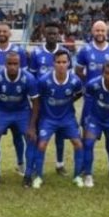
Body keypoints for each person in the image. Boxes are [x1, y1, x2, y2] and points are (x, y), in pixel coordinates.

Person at [0, 51, 40, 188]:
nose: (12, 67)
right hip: (2, 111)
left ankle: (28, 175)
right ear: (5, 64)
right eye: (9, 64)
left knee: (31, 138)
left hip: (22, 112)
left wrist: (32, 126)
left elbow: (36, 102)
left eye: (15, 64)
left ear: (20, 64)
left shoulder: (29, 78)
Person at [75, 20, 109, 179]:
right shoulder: (85, 50)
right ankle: (85, 169)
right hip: (91, 100)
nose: (100, 33)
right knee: (88, 136)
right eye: (97, 31)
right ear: (92, 32)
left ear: (106, 32)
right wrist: (88, 82)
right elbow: (78, 70)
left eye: (102, 31)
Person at [0, 22, 29, 174]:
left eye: (5, 31)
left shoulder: (19, 51)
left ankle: (21, 163)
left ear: (10, 34)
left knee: (18, 137)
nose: (2, 33)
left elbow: (25, 77)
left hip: (18, 103)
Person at [33, 50, 84, 189]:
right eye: (58, 62)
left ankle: (77, 176)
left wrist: (69, 101)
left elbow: (78, 94)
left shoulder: (75, 80)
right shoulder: (44, 81)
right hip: (48, 119)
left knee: (78, 144)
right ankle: (38, 176)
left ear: (68, 63)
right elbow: (37, 99)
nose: (61, 65)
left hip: (67, 118)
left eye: (64, 62)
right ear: (53, 64)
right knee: (42, 144)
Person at [29, 21, 70, 176]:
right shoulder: (37, 53)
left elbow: (70, 77)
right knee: (40, 135)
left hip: (61, 103)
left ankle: (60, 164)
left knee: (60, 135)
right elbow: (32, 77)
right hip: (42, 102)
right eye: (49, 33)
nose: (52, 36)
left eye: (55, 33)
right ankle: (36, 165)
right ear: (44, 34)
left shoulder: (64, 52)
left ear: (59, 35)